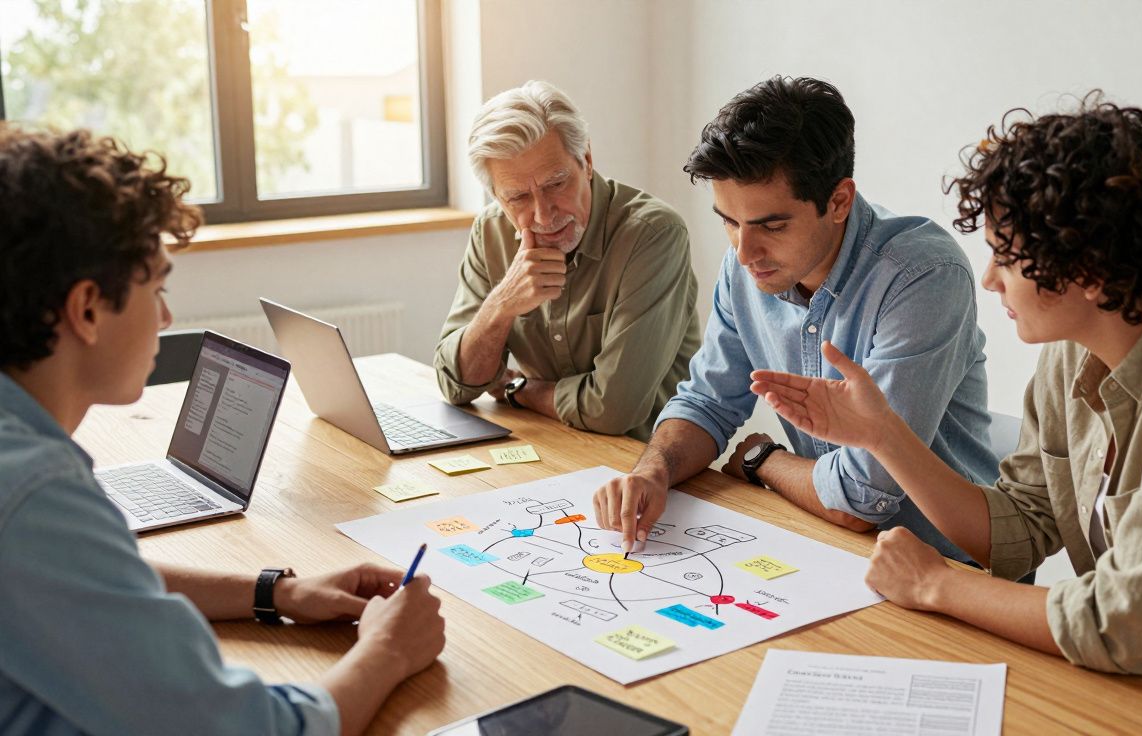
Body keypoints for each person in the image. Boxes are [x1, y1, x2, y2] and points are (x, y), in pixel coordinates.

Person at [749, 97, 1142, 687]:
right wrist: (883, 435)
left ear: (1088, 269)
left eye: (1006, 257)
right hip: (1141, 686)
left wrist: (937, 584)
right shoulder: (1074, 350)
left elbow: (1132, 623)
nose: (989, 279)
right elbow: (1016, 531)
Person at [0, 126, 447, 735]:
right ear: (86, 309)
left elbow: (93, 586)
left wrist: (276, 592)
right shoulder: (36, 492)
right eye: (156, 288)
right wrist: (389, 650)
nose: (166, 316)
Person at [593, 77, 996, 559]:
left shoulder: (922, 277)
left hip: (945, 566)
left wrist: (763, 459)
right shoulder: (748, 265)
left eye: (772, 225)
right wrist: (651, 472)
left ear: (839, 201)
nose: (744, 252)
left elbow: (861, 500)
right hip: (827, 545)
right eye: (729, 221)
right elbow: (707, 402)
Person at [434, 80, 700, 441]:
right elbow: (455, 385)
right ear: (496, 196)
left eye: (556, 184)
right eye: (518, 198)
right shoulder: (491, 231)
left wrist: (520, 390)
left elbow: (612, 410)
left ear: (586, 161)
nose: (543, 215)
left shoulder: (653, 234)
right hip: (551, 445)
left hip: (646, 458)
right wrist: (502, 305)